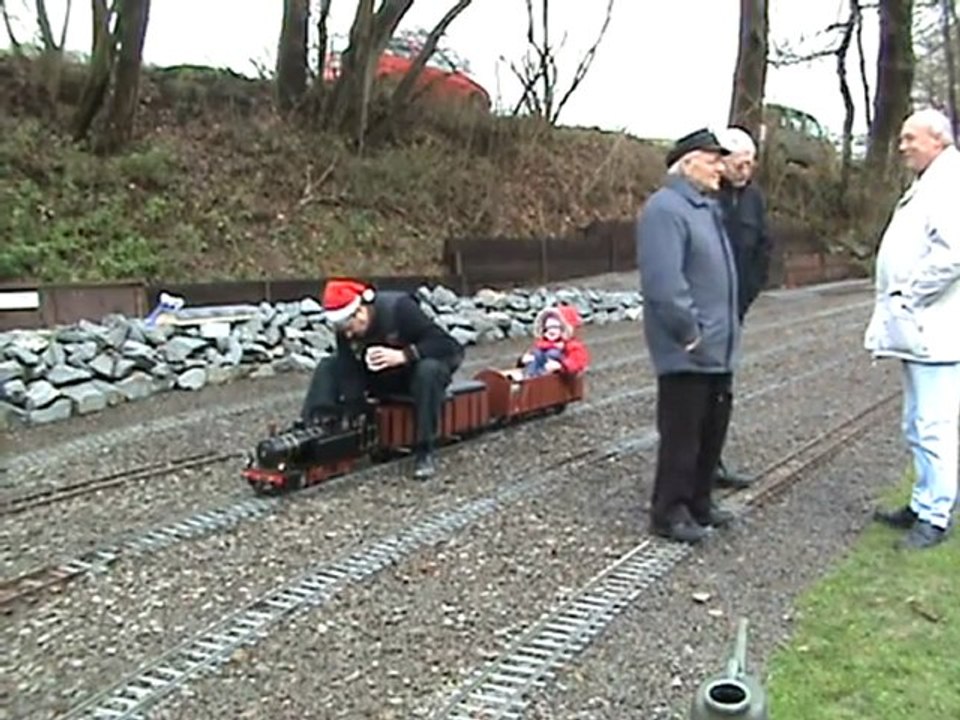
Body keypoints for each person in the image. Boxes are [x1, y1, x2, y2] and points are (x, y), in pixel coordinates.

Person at [635, 127, 741, 544]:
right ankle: (669, 510)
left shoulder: (705, 208)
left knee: (711, 427)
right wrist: (688, 331)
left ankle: (699, 501)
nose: (721, 166)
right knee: (683, 430)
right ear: (689, 162)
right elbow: (663, 281)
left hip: (718, 344)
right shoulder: (666, 209)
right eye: (714, 159)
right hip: (689, 347)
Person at [866, 108, 960, 550]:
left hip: (936, 329)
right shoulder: (931, 182)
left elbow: (952, 254)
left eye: (910, 138)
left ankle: (936, 515)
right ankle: (923, 502)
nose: (902, 146)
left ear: (937, 141)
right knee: (916, 422)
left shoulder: (949, 184)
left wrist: (910, 293)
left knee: (934, 424)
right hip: (921, 330)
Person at [303, 278, 464, 481]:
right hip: (380, 376)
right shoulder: (346, 332)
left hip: (416, 375)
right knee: (329, 365)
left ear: (361, 311)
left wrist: (404, 355)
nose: (349, 334)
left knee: (428, 370)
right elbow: (347, 366)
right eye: (344, 330)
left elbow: (448, 345)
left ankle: (425, 449)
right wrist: (355, 408)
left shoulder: (400, 308)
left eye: (350, 328)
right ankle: (316, 428)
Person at [709, 125, 774, 490]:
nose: (745, 170)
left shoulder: (754, 200)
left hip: (735, 308)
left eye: (750, 163)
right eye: (739, 162)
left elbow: (764, 249)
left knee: (723, 389)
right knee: (697, 390)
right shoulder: (705, 196)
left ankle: (714, 463)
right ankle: (694, 467)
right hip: (704, 308)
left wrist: (746, 296)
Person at [518, 305, 590, 378]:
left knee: (553, 353)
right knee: (537, 354)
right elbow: (532, 356)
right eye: (547, 328)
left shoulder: (572, 345)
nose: (551, 331)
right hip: (538, 377)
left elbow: (577, 363)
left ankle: (538, 377)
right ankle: (529, 377)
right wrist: (523, 360)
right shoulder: (542, 344)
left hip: (559, 380)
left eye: (555, 327)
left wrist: (561, 365)